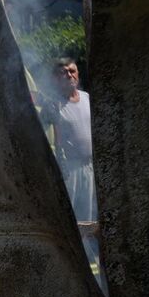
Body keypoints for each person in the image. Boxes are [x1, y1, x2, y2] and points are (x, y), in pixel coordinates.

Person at [49, 56, 95, 221]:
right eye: (64, 72)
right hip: (69, 169)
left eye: (72, 71)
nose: (69, 75)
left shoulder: (87, 98)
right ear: (55, 79)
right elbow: (42, 133)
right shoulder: (53, 104)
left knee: (89, 216)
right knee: (71, 216)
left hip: (89, 166)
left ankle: (89, 247)